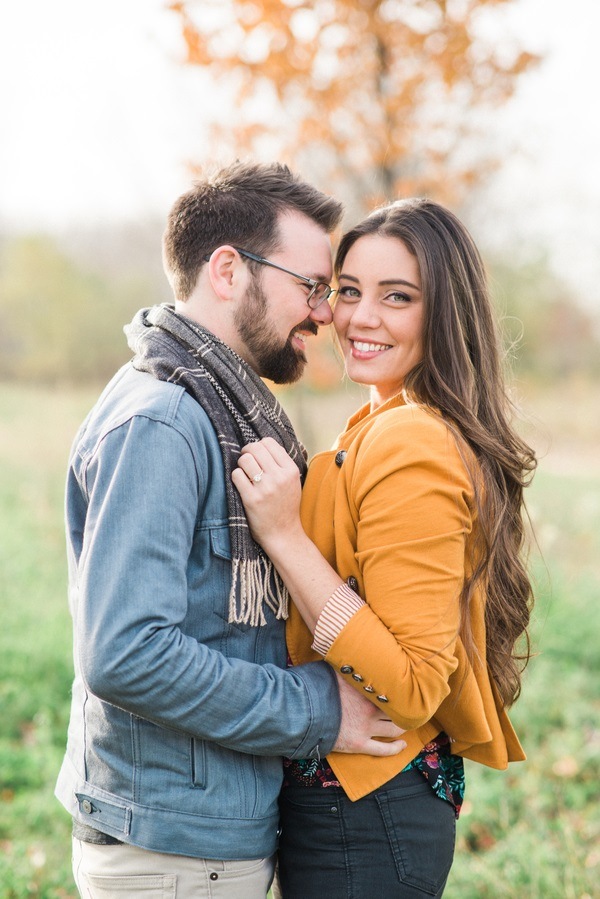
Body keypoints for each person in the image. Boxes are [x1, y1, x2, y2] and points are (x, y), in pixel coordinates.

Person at [55, 161, 407, 899]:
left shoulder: (222, 409)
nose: (322, 312)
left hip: (203, 839)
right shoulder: (164, 420)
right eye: (310, 285)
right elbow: (126, 653)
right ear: (227, 270)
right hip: (172, 852)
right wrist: (317, 708)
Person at [234, 197, 537, 898]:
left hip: (368, 813)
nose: (360, 317)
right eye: (347, 291)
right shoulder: (375, 423)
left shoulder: (411, 441)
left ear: (443, 313)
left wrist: (284, 535)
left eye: (396, 296)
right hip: (355, 804)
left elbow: (412, 682)